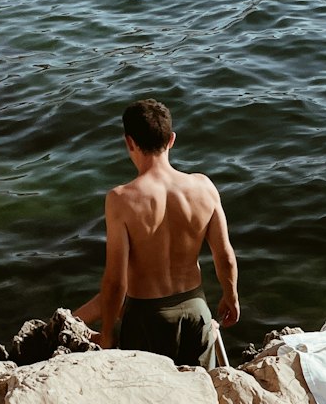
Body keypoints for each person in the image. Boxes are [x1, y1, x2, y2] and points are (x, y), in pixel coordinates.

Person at [74, 98, 239, 367]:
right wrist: (230, 296)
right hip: (196, 311)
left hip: (146, 318)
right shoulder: (203, 187)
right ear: (171, 139)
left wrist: (106, 334)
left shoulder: (121, 199)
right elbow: (226, 257)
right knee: (200, 394)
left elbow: (116, 282)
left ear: (129, 142)